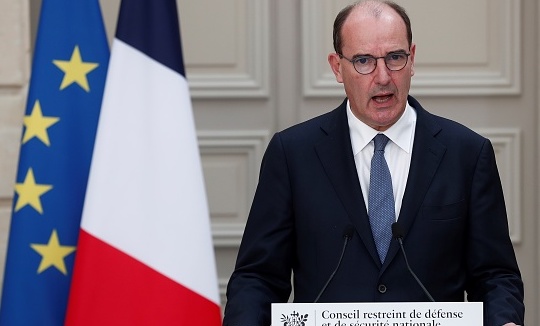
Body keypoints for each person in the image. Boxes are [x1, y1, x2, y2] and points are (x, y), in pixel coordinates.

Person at [222, 1, 525, 325]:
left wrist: (504, 319)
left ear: (412, 59)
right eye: (364, 61)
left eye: (395, 58)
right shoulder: (293, 154)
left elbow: (495, 276)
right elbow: (258, 277)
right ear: (337, 67)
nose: (383, 77)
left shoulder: (466, 153)